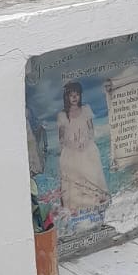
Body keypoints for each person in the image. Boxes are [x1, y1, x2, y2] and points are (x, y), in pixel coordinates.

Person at [57, 81, 109, 215]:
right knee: (74, 177)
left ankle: (95, 202)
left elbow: (91, 130)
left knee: (91, 173)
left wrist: (85, 141)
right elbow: (61, 138)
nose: (75, 98)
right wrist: (72, 144)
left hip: (87, 148)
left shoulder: (85, 109)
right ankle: (75, 206)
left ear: (80, 95)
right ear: (67, 97)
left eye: (77, 94)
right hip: (71, 151)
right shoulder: (62, 115)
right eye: (71, 95)